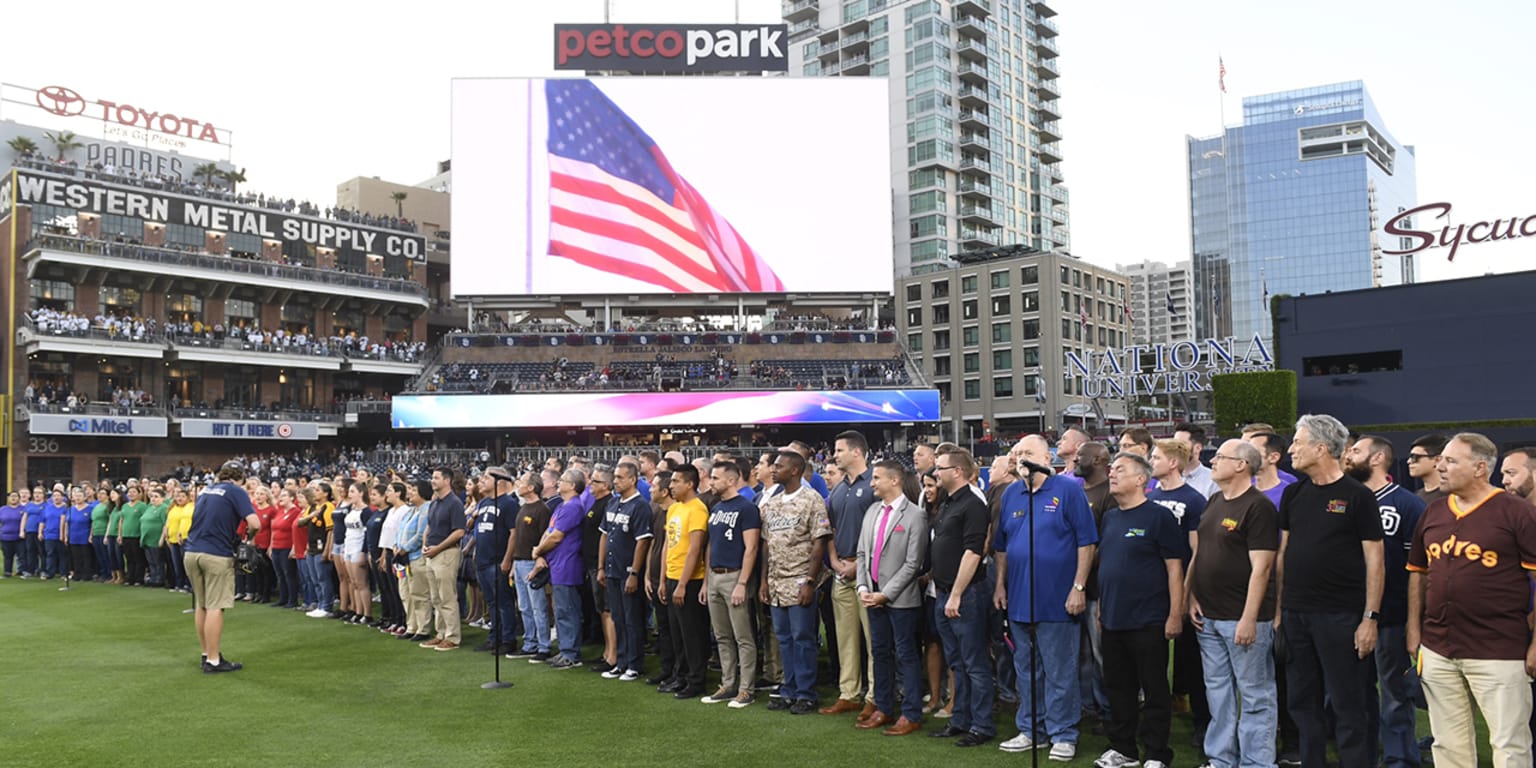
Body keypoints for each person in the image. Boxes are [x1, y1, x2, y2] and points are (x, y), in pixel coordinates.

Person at [1408, 433, 1536, 767]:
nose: (1441, 466)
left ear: (1480, 468)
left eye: (1451, 461)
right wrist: (1413, 629)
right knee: (1447, 745)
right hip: (1438, 646)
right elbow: (1418, 572)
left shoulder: (1517, 512)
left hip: (1499, 648)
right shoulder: (1433, 511)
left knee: (1510, 744)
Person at [1277, 414, 1385, 768]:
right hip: (1296, 615)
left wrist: (1370, 617)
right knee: (1302, 703)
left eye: (1297, 441)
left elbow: (1376, 561)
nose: (1291, 448)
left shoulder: (1358, 497)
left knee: (1348, 703)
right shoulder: (1293, 493)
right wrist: (1280, 610)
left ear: (1321, 448)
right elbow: (1284, 554)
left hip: (1341, 616)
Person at [993, 436, 1097, 759]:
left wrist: (1079, 587)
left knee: (1060, 670)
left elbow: (1087, 542)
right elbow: (1002, 546)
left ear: (1046, 457)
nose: (1022, 457)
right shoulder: (1012, 494)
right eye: (1018, 452)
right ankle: (1031, 729)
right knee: (1027, 670)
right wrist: (1000, 584)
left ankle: (1063, 733)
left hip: (1059, 599)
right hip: (1020, 598)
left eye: (1028, 452)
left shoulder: (1068, 491)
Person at [1188, 439, 1281, 768]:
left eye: (1221, 457)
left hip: (1242, 617)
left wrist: (1249, 618)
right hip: (1208, 616)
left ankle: (1257, 762)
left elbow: (1263, 568)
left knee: (1255, 694)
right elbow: (1202, 555)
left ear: (1242, 465)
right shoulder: (1214, 501)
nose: (1213, 462)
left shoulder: (1259, 508)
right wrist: (1193, 595)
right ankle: (1221, 759)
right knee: (1218, 692)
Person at [1093, 453, 1186, 768]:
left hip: (1148, 619)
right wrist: (1103, 608)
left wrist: (1175, 614)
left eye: (1120, 469)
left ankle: (1157, 753)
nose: (1112, 474)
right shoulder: (1110, 517)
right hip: (1113, 618)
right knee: (1118, 689)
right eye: (1111, 469)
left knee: (1155, 689)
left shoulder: (1159, 517)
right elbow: (1107, 566)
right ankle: (1124, 749)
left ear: (1141, 479)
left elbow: (1175, 569)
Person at [1343, 434, 1428, 768]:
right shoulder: (1346, 500)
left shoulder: (1406, 504)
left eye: (1357, 451)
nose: (1348, 456)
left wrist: (1412, 622)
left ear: (1377, 458)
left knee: (1394, 695)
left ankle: (1399, 761)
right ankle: (1363, 757)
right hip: (1348, 614)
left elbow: (1418, 571)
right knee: (1354, 694)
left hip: (1391, 616)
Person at [927, 447, 996, 748]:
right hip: (944, 593)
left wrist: (956, 594)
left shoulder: (972, 505)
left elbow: (973, 552)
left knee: (974, 662)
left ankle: (982, 725)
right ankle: (961, 719)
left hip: (964, 594)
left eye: (940, 468)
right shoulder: (948, 503)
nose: (935, 472)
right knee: (956, 661)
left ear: (957, 471)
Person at [856, 459, 929, 736]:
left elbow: (914, 563)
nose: (872, 483)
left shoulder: (915, 515)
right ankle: (884, 708)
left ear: (894, 480)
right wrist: (863, 587)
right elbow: (862, 553)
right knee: (880, 653)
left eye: (876, 478)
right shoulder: (872, 511)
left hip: (901, 601)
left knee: (907, 655)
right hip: (872, 596)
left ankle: (911, 714)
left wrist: (886, 594)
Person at [759, 450, 832, 715]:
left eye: (779, 466)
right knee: (784, 638)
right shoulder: (775, 502)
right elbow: (767, 544)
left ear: (795, 470)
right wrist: (765, 581)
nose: (773, 470)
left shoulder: (811, 499)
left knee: (803, 638)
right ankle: (788, 688)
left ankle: (806, 693)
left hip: (800, 579)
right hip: (777, 582)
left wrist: (810, 580)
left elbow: (819, 541)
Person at [1149, 438, 1211, 745]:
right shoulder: (1149, 496)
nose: (1152, 461)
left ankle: (1203, 723)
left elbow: (1197, 551)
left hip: (1182, 589)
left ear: (1173, 462)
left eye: (1157, 456)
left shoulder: (1195, 499)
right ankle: (1154, 723)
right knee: (1152, 663)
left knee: (1192, 661)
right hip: (1151, 592)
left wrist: (1188, 594)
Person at [183, 461, 260, 674]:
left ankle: (207, 653)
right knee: (216, 605)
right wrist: (248, 540)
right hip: (216, 553)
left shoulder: (207, 490)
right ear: (241, 478)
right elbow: (255, 523)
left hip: (192, 551)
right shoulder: (236, 491)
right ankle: (214, 661)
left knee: (202, 604)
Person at [823, 430, 875, 718]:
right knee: (845, 638)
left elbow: (880, 531)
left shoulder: (874, 485)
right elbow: (829, 529)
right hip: (841, 570)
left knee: (873, 640)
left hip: (867, 572)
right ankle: (849, 693)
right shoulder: (838, 489)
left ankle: (875, 695)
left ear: (857, 452)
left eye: (840, 450)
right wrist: (833, 561)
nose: (835, 455)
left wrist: (860, 565)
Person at [702, 460, 761, 707]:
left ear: (731, 480)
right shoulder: (716, 508)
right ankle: (728, 684)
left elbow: (752, 548)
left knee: (743, 637)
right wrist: (706, 581)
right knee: (722, 635)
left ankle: (746, 688)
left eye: (715, 478)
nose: (711, 482)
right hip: (715, 576)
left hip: (734, 576)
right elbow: (710, 545)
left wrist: (742, 583)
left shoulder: (746, 509)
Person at [597, 461, 653, 682]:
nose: (616, 482)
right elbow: (604, 535)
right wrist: (601, 567)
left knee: (632, 619)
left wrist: (635, 573)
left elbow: (642, 542)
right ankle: (620, 662)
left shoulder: (640, 506)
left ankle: (634, 664)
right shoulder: (612, 503)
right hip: (611, 570)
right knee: (618, 618)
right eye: (615, 477)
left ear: (633, 479)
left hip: (628, 571)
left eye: (620, 477)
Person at [658, 464, 710, 698]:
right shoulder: (674, 509)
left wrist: (681, 584)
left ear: (690, 484)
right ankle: (680, 676)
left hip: (689, 580)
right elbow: (668, 545)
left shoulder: (698, 509)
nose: (671, 485)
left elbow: (695, 549)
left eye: (677, 481)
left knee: (692, 635)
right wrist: (663, 580)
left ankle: (696, 680)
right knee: (676, 633)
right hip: (671, 577)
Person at [531, 468, 585, 668]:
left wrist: (538, 551)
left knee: (566, 610)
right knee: (561, 609)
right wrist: (541, 548)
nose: (558, 482)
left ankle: (571, 653)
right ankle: (565, 649)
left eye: (563, 480)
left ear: (572, 485)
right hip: (558, 564)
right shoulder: (563, 506)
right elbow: (549, 531)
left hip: (567, 565)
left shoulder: (573, 507)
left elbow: (556, 536)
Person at [504, 472, 553, 661]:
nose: (519, 484)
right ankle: (530, 643)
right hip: (520, 561)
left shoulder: (542, 509)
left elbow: (545, 537)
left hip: (532, 562)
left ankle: (544, 646)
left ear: (532, 487)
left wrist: (539, 561)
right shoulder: (522, 508)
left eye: (523, 482)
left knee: (538, 607)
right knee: (524, 606)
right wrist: (515, 563)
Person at [419, 467, 466, 651]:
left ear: (447, 480)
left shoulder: (454, 503)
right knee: (436, 598)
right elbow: (429, 527)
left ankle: (453, 637)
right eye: (432, 477)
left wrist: (437, 548)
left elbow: (459, 531)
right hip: (432, 553)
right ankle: (441, 633)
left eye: (436, 477)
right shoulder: (435, 503)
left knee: (447, 597)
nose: (432, 480)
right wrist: (425, 544)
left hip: (446, 553)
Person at [473, 468, 519, 655]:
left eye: (486, 477)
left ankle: (508, 639)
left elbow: (514, 533)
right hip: (482, 560)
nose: (481, 480)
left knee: (504, 602)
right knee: (491, 602)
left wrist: (507, 559)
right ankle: (494, 637)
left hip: (497, 560)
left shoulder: (509, 503)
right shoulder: (483, 502)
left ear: (499, 481)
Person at [1246, 431, 1295, 510]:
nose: (1246, 456)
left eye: (1253, 451)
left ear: (1273, 457)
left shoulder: (1288, 494)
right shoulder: (1243, 490)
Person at [1174, 422, 1220, 498]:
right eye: (1174, 443)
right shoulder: (1166, 477)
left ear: (1198, 448)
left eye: (1181, 444)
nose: (1176, 448)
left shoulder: (1213, 482)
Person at [1407, 434, 1449, 505]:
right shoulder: (1416, 497)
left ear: (1437, 460)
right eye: (1410, 457)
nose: (1409, 461)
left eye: (1415, 457)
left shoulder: (1453, 497)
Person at [0, 492, 22, 577]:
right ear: (8, 498)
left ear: (18, 498)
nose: (13, 498)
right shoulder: (2, 509)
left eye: (15, 496)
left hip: (19, 537)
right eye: (11, 496)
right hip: (6, 537)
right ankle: (7, 572)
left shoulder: (23, 509)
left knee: (21, 555)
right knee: (7, 556)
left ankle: (21, 571)